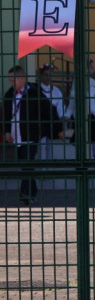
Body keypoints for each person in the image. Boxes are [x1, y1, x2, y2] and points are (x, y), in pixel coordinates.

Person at [3, 65, 64, 205]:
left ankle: (25, 193)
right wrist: (6, 131)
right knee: (26, 164)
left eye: (13, 80)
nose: (11, 83)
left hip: (31, 135)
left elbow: (49, 110)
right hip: (16, 135)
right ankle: (32, 191)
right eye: (9, 80)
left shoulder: (34, 92)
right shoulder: (9, 94)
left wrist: (58, 129)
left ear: (22, 79)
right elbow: (6, 115)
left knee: (27, 163)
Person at [66, 57, 95, 159]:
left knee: (91, 135)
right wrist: (67, 114)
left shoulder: (91, 81)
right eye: (91, 67)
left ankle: (93, 154)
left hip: (88, 114)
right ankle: (86, 156)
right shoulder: (79, 81)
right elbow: (75, 98)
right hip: (84, 114)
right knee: (85, 136)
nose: (93, 69)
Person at [36, 63, 66, 160]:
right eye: (45, 75)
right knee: (42, 146)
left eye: (50, 75)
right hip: (41, 122)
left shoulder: (56, 91)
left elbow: (60, 106)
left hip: (53, 122)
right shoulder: (37, 90)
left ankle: (48, 165)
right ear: (41, 76)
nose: (48, 78)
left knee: (50, 146)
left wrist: (61, 116)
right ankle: (42, 166)